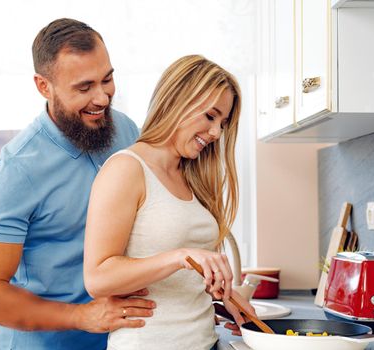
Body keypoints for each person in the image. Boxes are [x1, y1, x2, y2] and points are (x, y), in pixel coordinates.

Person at [0, 18, 156, 350]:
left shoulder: (126, 132)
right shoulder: (14, 173)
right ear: (44, 86)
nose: (102, 98)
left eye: (108, 79)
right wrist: (82, 316)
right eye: (84, 88)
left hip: (118, 340)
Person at [83, 55, 257, 350]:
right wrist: (181, 257)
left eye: (222, 123)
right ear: (178, 101)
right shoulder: (126, 169)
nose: (216, 133)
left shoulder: (192, 175)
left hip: (204, 342)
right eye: (210, 116)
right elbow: (98, 278)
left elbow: (183, 277)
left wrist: (224, 297)